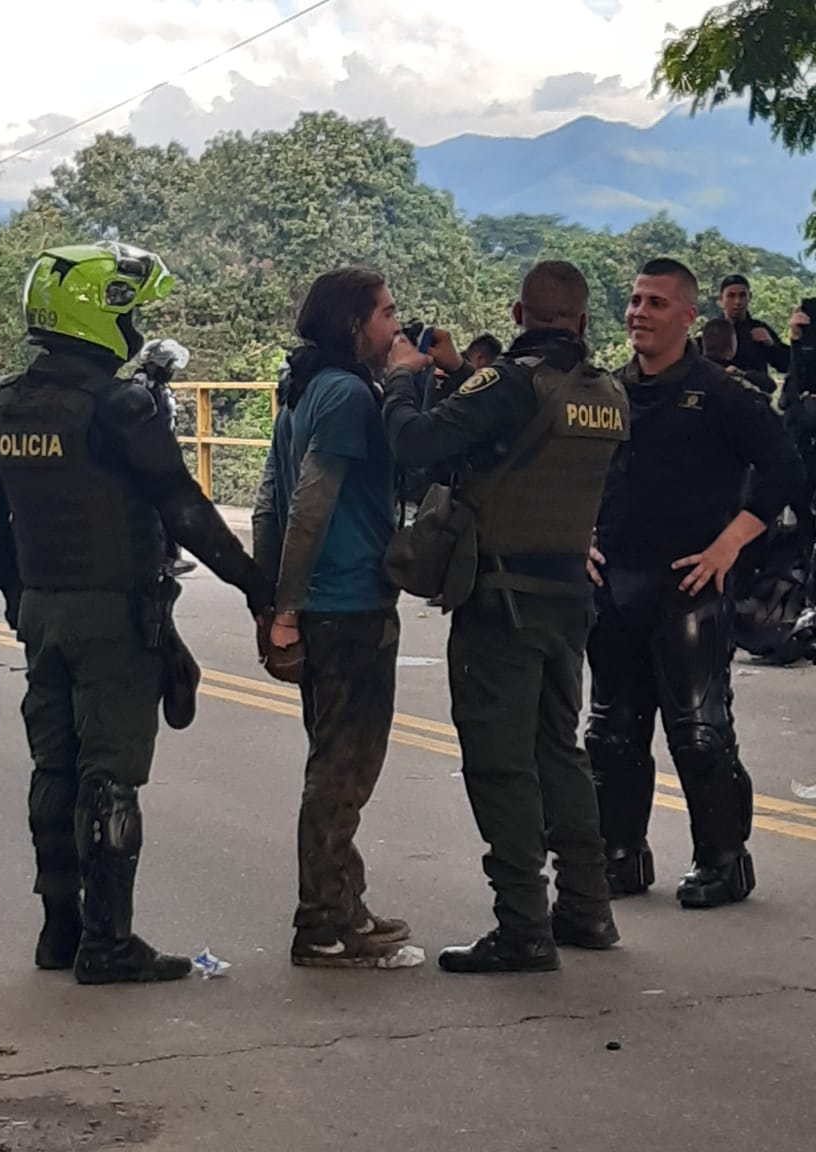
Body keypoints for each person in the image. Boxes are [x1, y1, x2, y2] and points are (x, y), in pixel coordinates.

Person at [0, 241, 273, 985]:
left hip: (44, 611)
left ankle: (59, 928)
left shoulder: (2, 400)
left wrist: (16, 594)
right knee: (110, 776)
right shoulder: (118, 404)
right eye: (129, 313)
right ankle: (109, 942)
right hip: (115, 615)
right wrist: (259, 586)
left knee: (54, 764)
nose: (135, 330)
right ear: (98, 316)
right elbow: (186, 509)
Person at [382, 260, 629, 974]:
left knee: (500, 764)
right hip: (568, 599)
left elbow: (416, 443)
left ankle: (523, 925)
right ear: (582, 323)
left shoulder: (512, 383)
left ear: (519, 316)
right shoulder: (606, 393)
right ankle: (587, 906)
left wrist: (405, 379)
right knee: (560, 750)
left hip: (501, 599)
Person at [586, 258, 804, 909]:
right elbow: (570, 473)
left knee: (699, 732)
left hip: (691, 585)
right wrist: (579, 541)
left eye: (655, 303)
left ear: (686, 315)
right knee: (612, 732)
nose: (639, 313)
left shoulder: (724, 394)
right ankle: (619, 855)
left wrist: (730, 543)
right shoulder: (605, 391)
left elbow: (786, 469)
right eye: (634, 300)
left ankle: (723, 860)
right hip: (615, 584)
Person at [251, 267, 422, 970]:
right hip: (348, 607)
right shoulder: (350, 395)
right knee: (343, 773)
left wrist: (270, 604)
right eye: (385, 313)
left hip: (318, 611)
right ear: (354, 324)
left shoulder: (301, 387)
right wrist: (285, 608)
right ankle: (323, 920)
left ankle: (343, 903)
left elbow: (268, 504)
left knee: (331, 763)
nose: (396, 325)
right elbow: (311, 505)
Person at [132, 337, 197, 576]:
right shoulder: (140, 387)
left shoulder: (158, 388)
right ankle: (164, 557)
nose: (171, 371)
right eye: (168, 365)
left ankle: (169, 556)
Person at [717, 273, 790, 376]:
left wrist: (771, 345)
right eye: (731, 296)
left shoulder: (760, 329)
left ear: (750, 297)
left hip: (755, 389)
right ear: (721, 299)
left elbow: (787, 366)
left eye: (742, 295)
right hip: (718, 389)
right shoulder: (710, 331)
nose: (737, 301)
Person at [699, 317, 774, 395]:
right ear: (731, 345)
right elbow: (769, 386)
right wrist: (743, 374)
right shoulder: (735, 378)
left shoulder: (692, 370)